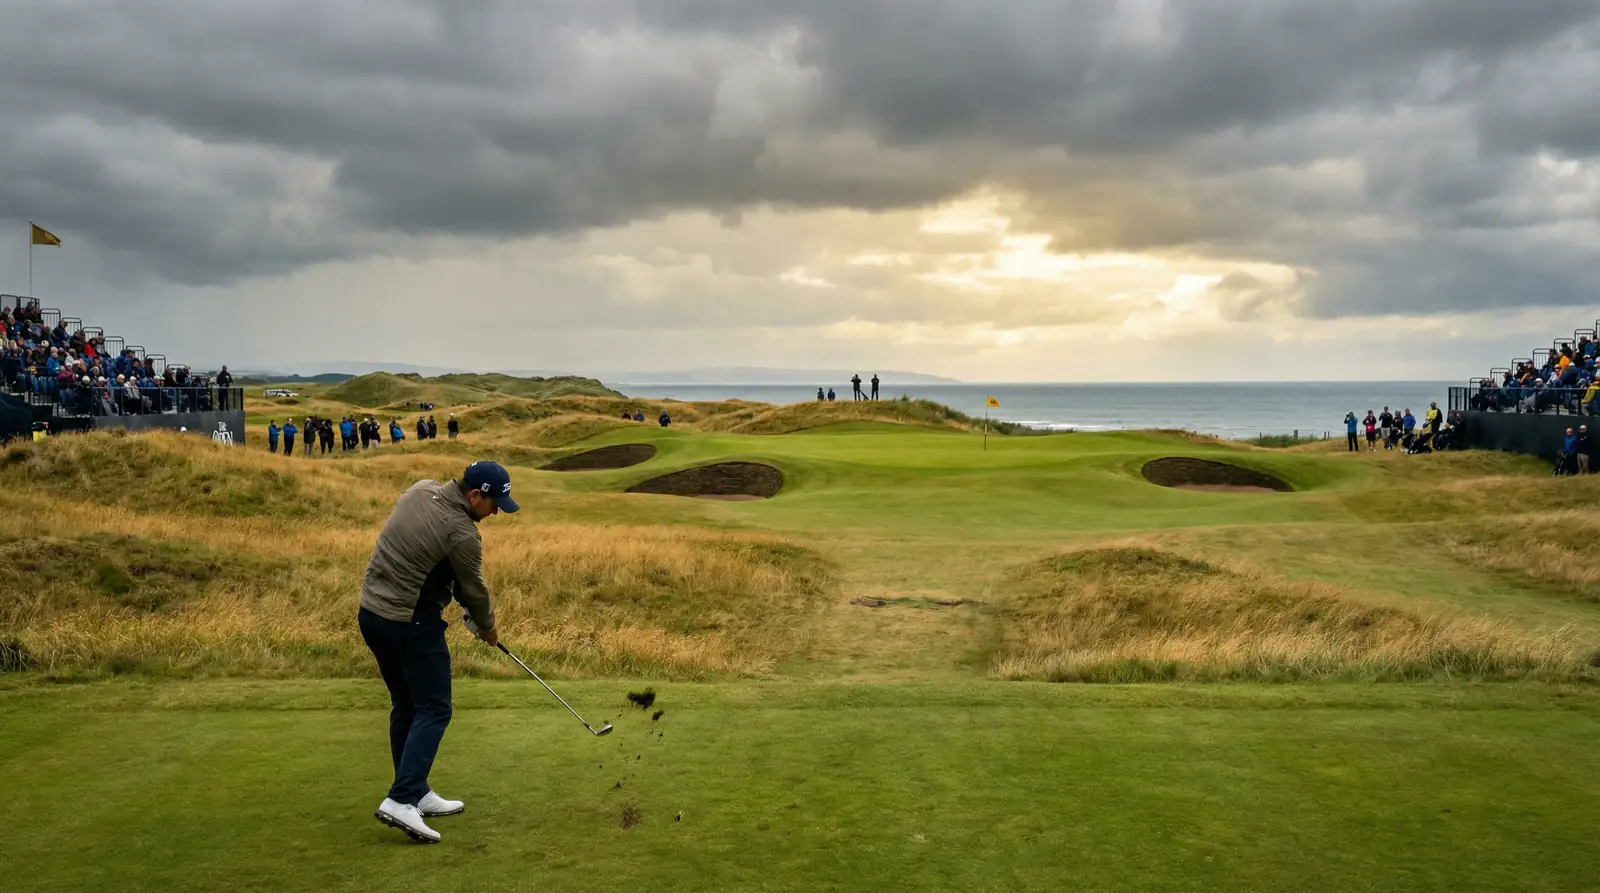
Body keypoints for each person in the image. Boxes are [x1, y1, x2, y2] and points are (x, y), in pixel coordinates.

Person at [360, 460, 519, 844]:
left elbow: (434, 561)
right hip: (409, 623)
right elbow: (475, 587)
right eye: (494, 503)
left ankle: (414, 790)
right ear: (474, 495)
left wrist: (460, 601)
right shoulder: (462, 531)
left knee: (407, 705)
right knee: (435, 707)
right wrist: (488, 628)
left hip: (372, 615)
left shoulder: (420, 489)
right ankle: (400, 800)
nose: (496, 511)